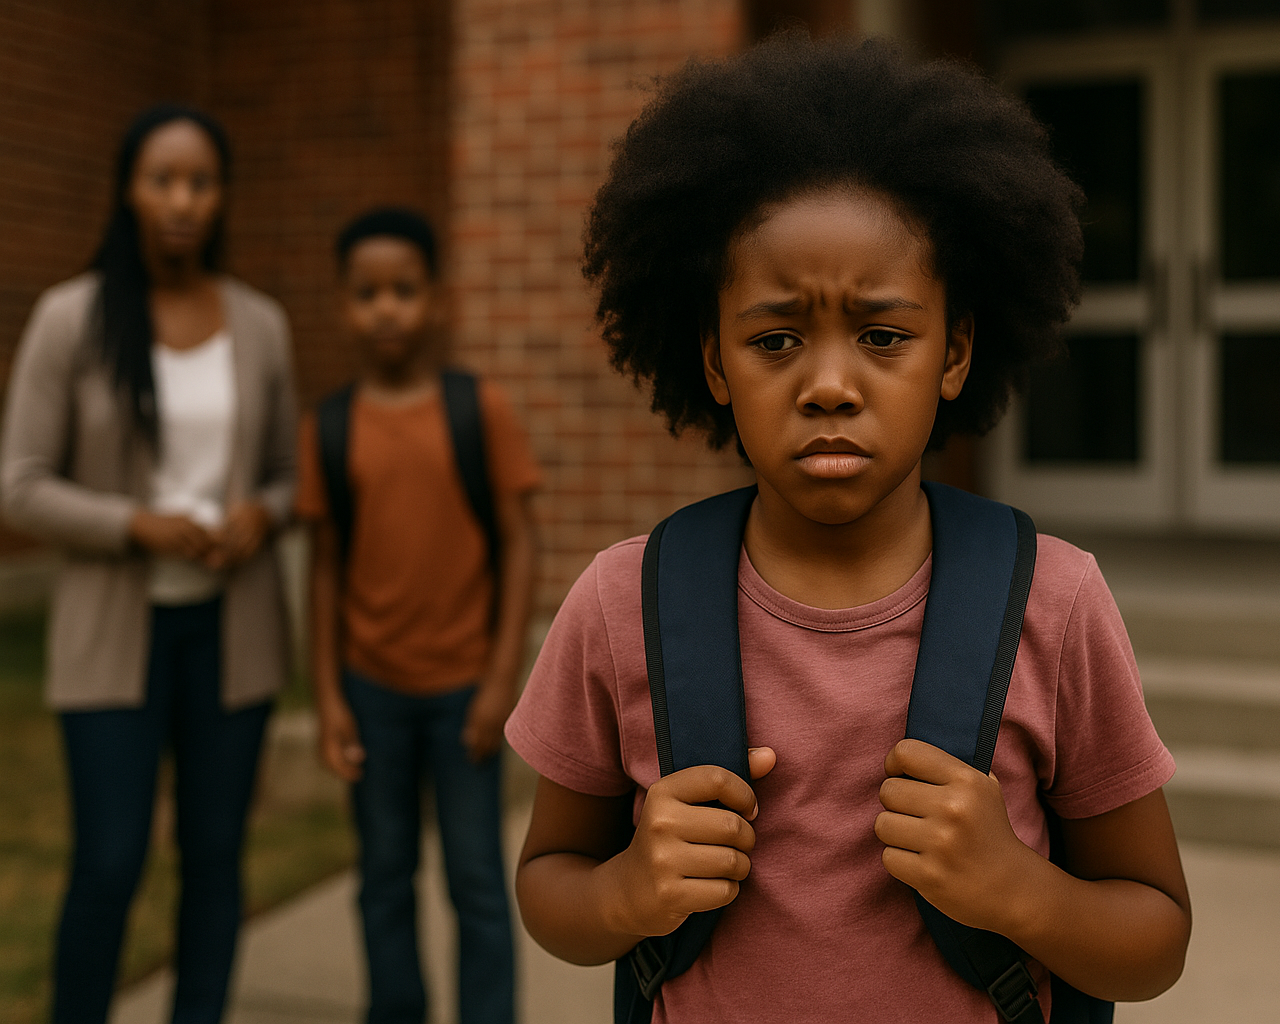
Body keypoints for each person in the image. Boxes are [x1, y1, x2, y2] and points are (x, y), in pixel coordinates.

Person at [505, 34, 1192, 1023]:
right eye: (776, 339)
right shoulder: (624, 602)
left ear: (954, 352)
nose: (830, 384)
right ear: (713, 364)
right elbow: (549, 885)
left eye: (883, 335)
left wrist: (1018, 888)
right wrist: (627, 892)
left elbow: (1155, 938)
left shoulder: (1053, 598)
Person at [0, 105, 297, 1024]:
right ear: (128, 190)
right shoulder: (71, 317)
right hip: (112, 638)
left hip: (231, 635)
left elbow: (292, 477)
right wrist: (138, 525)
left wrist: (263, 512)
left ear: (221, 197)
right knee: (111, 859)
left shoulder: (261, 324)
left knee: (215, 858)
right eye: (162, 179)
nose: (181, 200)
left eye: (200, 182)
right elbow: (18, 484)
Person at [297, 208, 541, 1024]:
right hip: (372, 693)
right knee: (383, 877)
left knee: (475, 880)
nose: (387, 308)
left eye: (404, 289)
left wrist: (500, 680)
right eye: (368, 293)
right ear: (343, 305)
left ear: (436, 299)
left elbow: (519, 546)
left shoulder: (479, 410)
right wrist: (329, 697)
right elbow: (325, 568)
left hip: (463, 692)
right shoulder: (327, 428)